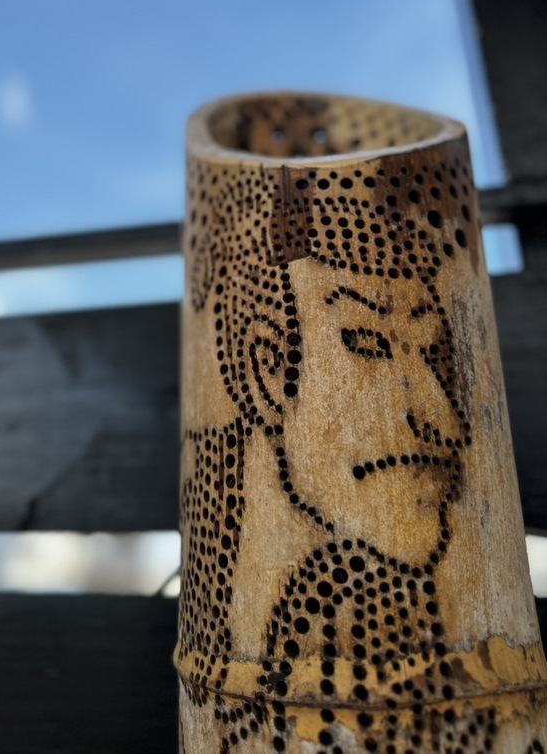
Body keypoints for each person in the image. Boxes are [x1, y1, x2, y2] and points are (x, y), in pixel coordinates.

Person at [178, 150, 523, 754]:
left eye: (435, 354)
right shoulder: (312, 609)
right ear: (268, 373)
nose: (441, 421)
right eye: (369, 343)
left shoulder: (394, 610)